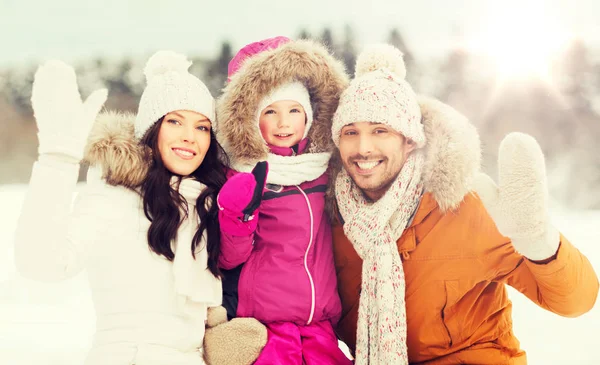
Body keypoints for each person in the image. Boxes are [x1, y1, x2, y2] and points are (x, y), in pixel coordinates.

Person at [330, 44, 599, 364]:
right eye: (351, 132)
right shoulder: (333, 225)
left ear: (408, 139)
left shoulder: (466, 206)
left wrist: (540, 242)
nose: (363, 147)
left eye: (380, 130)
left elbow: (575, 301)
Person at [14, 51, 228, 365]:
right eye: (174, 121)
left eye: (202, 127)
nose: (189, 137)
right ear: (151, 129)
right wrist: (57, 160)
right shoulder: (114, 197)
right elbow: (41, 263)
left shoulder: (203, 204)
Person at [206, 36, 351, 365]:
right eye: (270, 111)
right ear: (251, 119)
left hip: (321, 326)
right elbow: (229, 258)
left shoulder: (326, 171)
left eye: (293, 110)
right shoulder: (241, 175)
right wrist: (237, 216)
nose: (284, 122)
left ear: (310, 116)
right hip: (266, 326)